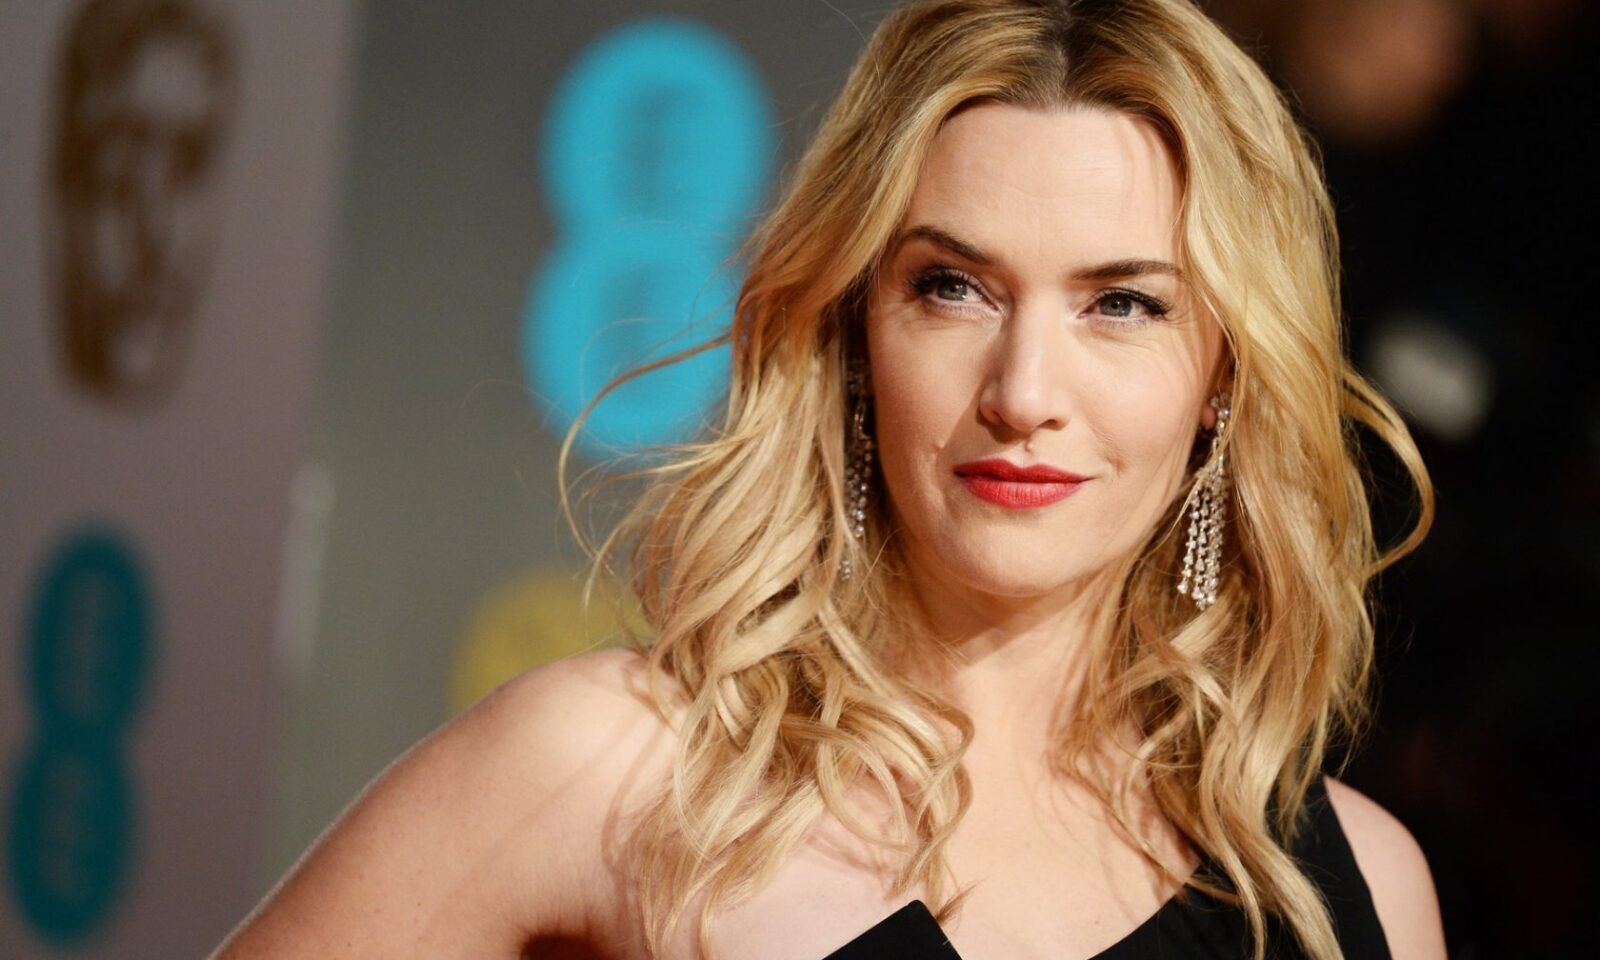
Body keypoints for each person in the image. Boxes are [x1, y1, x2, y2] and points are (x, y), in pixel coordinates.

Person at [209, 1, 1447, 957]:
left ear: (1224, 373)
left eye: (1120, 304)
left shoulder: (1358, 887)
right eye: (951, 288)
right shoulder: (613, 770)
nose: (1022, 391)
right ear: (855, 331)